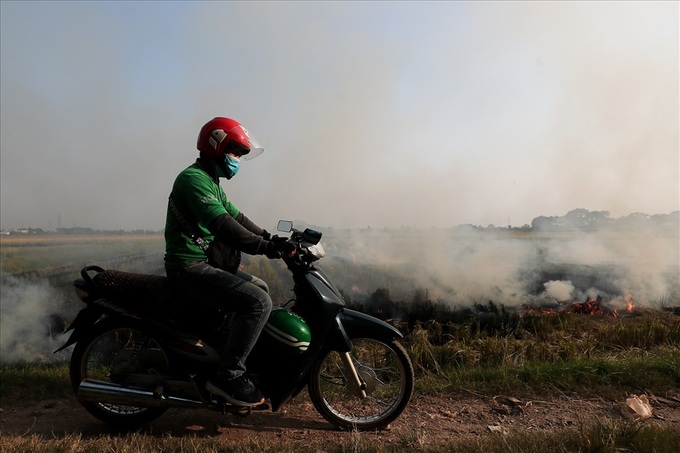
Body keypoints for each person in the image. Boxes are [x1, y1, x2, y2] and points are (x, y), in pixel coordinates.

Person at [164, 117, 294, 407]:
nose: (236, 160)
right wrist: (265, 248)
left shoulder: (212, 182)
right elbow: (223, 225)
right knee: (258, 302)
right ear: (215, 146)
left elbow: (237, 217)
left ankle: (223, 352)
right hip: (189, 266)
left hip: (202, 263)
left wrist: (272, 238)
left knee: (259, 287)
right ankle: (227, 375)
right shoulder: (193, 179)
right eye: (234, 152)